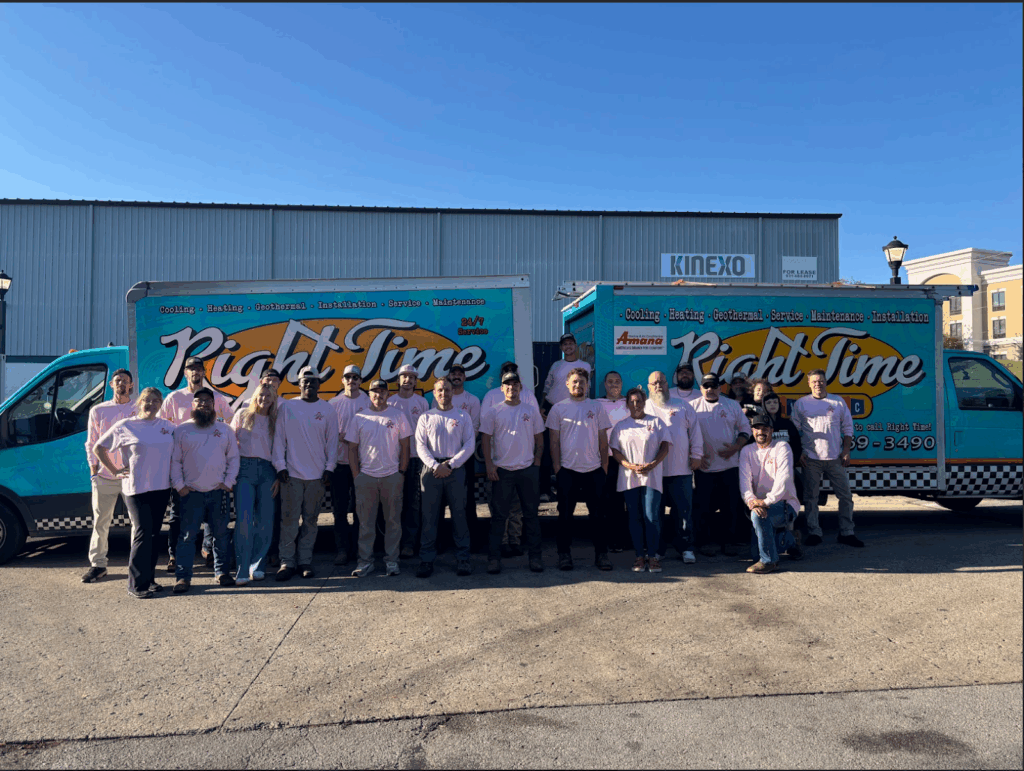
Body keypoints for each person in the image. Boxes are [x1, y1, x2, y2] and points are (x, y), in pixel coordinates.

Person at [94, 387, 175, 599]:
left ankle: (149, 580)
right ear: (139, 403)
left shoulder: (167, 426)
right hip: (136, 489)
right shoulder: (126, 426)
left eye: (156, 401)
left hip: (161, 487)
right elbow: (99, 447)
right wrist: (114, 470)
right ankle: (136, 584)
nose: (151, 404)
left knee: (154, 534)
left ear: (161, 404)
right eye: (147, 401)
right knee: (142, 533)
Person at [158, 355, 234, 573]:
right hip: (181, 466)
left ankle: (208, 551)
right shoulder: (174, 398)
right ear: (185, 373)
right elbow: (163, 427)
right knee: (178, 515)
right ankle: (174, 556)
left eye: (199, 369)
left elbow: (230, 422)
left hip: (210, 466)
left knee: (212, 516)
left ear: (204, 372)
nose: (195, 372)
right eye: (191, 369)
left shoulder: (216, 398)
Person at [169, 388, 240, 593]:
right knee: (187, 537)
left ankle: (222, 573)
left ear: (214, 404)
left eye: (208, 401)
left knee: (221, 535)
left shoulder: (225, 430)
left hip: (218, 493)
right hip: (190, 494)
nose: (204, 404)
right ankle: (183, 578)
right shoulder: (182, 430)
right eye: (199, 401)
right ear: (193, 405)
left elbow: (233, 458)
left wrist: (228, 482)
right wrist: (180, 486)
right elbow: (175, 461)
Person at [272, 366, 338, 581]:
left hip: (317, 476)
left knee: (311, 521)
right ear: (298, 384)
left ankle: (305, 561)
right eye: (305, 381)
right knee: (289, 521)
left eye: (313, 381)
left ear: (319, 385)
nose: (309, 384)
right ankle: (286, 562)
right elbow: (279, 438)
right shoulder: (287, 407)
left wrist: (329, 468)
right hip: (291, 475)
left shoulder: (328, 410)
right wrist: (280, 466)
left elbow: (332, 443)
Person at [545, 367, 612, 571]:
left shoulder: (597, 407)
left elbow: (602, 439)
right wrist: (557, 467)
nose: (578, 385)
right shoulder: (558, 408)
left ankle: (602, 555)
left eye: (582, 382)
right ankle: (564, 555)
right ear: (567, 384)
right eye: (574, 381)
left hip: (594, 470)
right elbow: (553, 441)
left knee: (598, 516)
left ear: (587, 384)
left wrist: (604, 466)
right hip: (568, 471)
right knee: (565, 516)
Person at [481, 370, 545, 574]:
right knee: (499, 517)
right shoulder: (494, 411)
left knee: (532, 516)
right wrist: (490, 466)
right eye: (507, 385)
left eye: (515, 384)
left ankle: (535, 558)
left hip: (527, 470)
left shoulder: (530, 410)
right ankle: (494, 559)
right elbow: (485, 439)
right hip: (503, 471)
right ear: (502, 388)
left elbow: (539, 439)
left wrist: (536, 461)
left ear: (520, 387)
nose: (511, 388)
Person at [347, 379, 412, 578]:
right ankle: (365, 562)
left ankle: (392, 561)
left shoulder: (398, 415)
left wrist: (401, 472)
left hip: (391, 476)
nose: (378, 395)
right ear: (370, 394)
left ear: (387, 394)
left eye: (382, 392)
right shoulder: (359, 417)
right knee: (366, 523)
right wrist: (356, 475)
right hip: (366, 477)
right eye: (375, 392)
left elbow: (405, 446)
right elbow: (352, 449)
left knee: (393, 522)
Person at [791, 369, 863, 548]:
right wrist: (798, 452)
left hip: (835, 458)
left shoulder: (837, 402)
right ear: (809, 384)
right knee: (810, 498)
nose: (818, 384)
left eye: (820, 381)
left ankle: (847, 532)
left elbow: (848, 427)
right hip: (811, 459)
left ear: (826, 382)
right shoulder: (801, 403)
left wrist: (846, 450)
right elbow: (793, 431)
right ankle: (814, 532)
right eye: (814, 381)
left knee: (845, 496)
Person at [415, 377, 476, 578]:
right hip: (431, 471)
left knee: (460, 515)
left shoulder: (463, 416)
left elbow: (469, 445)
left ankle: (463, 558)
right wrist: (435, 465)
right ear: (434, 393)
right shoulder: (426, 417)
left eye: (447, 390)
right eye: (440, 390)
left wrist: (450, 464)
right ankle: (426, 560)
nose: (444, 394)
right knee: (429, 518)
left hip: (455, 470)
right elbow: (420, 446)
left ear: (453, 392)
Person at [81, 368, 136, 584]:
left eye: (125, 381)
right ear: (111, 385)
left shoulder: (139, 408)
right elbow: (91, 442)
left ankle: (136, 564)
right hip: (104, 476)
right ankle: (98, 565)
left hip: (131, 476)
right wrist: (93, 470)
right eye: (118, 381)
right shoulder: (98, 410)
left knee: (137, 523)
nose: (121, 384)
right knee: (101, 522)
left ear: (131, 385)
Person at [609, 388, 672, 573]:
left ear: (644, 402)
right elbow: (615, 451)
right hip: (629, 478)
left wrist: (653, 464)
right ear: (627, 404)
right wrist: (629, 465)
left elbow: (665, 446)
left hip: (651, 477)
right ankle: (639, 556)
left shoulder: (656, 422)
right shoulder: (621, 426)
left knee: (651, 516)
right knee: (634, 517)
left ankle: (652, 557)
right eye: (632, 401)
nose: (636, 405)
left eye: (639, 401)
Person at [646, 370, 704, 564]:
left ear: (667, 384)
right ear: (648, 387)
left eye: (661, 382)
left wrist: (696, 456)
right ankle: (658, 549)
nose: (658, 386)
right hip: (654, 472)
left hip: (682, 470)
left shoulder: (683, 406)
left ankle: (686, 547)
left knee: (684, 512)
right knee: (655, 513)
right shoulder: (643, 407)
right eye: (654, 383)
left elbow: (695, 433)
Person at [691, 373, 752, 557]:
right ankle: (705, 542)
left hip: (730, 465)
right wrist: (695, 456)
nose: (709, 389)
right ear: (700, 388)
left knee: (731, 506)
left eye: (713, 385)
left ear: (720, 388)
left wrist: (736, 447)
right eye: (705, 386)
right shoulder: (692, 407)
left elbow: (745, 429)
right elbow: (684, 434)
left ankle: (731, 541)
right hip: (704, 467)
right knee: (703, 507)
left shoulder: (732, 405)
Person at [740, 412, 801, 574]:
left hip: (785, 504)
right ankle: (789, 539)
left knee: (758, 517)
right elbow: (744, 482)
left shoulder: (782, 447)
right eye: (757, 428)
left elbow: (784, 479)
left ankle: (769, 562)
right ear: (752, 431)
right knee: (755, 554)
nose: (761, 432)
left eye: (765, 428)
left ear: (772, 430)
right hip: (759, 505)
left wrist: (766, 502)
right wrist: (752, 502)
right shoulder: (746, 451)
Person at [230, 383, 279, 584]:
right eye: (261, 395)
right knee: (244, 520)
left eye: (268, 396)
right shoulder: (242, 415)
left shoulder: (276, 420)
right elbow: (230, 443)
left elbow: (281, 447)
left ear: (273, 399)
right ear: (255, 396)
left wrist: (279, 476)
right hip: (244, 468)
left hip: (269, 470)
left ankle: (257, 566)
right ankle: (242, 569)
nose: (264, 399)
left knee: (265, 521)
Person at [327, 364, 371, 566]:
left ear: (360, 381)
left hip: (363, 464)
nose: (352, 380)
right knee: (340, 510)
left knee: (361, 510)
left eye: (355, 377)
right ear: (342, 380)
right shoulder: (333, 403)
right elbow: (324, 433)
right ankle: (342, 550)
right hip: (338, 464)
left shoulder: (368, 401)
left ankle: (361, 550)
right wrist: (340, 436)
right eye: (348, 377)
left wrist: (354, 437)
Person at [437, 364, 482, 547]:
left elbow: (476, 428)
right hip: (440, 457)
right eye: (453, 374)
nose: (457, 376)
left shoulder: (472, 400)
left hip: (464, 457)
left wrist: (461, 453)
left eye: (460, 374)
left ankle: (471, 541)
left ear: (464, 377)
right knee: (439, 501)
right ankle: (439, 542)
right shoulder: (440, 397)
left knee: (467, 499)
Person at [388, 363, 429, 558]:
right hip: (393, 460)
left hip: (416, 459)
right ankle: (392, 543)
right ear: (398, 380)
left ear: (415, 381)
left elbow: (427, 433)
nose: (407, 380)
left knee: (414, 503)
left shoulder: (421, 403)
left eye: (411, 377)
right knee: (395, 503)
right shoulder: (390, 403)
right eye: (404, 376)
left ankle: (410, 544)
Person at [597, 371, 630, 552]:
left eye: (617, 381)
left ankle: (628, 538)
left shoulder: (630, 403)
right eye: (610, 382)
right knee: (610, 501)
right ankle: (612, 539)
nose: (614, 385)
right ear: (604, 384)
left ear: (622, 383)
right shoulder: (596, 404)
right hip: (606, 459)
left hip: (629, 459)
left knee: (628, 502)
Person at [542, 333, 592, 412]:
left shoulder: (585, 366)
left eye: (570, 344)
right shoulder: (556, 365)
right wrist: (541, 407)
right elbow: (547, 387)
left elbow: (587, 389)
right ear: (561, 347)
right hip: (553, 406)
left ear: (575, 346)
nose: (568, 346)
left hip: (575, 408)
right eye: (565, 344)